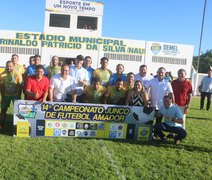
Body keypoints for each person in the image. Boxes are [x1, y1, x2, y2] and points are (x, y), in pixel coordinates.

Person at [0, 61, 22, 129]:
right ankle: (1, 124)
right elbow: (1, 86)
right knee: (3, 110)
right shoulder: (2, 75)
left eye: (10, 66)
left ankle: (19, 125)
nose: (9, 68)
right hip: (6, 95)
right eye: (8, 66)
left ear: (13, 66)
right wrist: (3, 96)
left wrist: (19, 95)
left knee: (18, 110)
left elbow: (20, 86)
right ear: (6, 66)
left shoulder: (17, 74)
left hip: (15, 95)